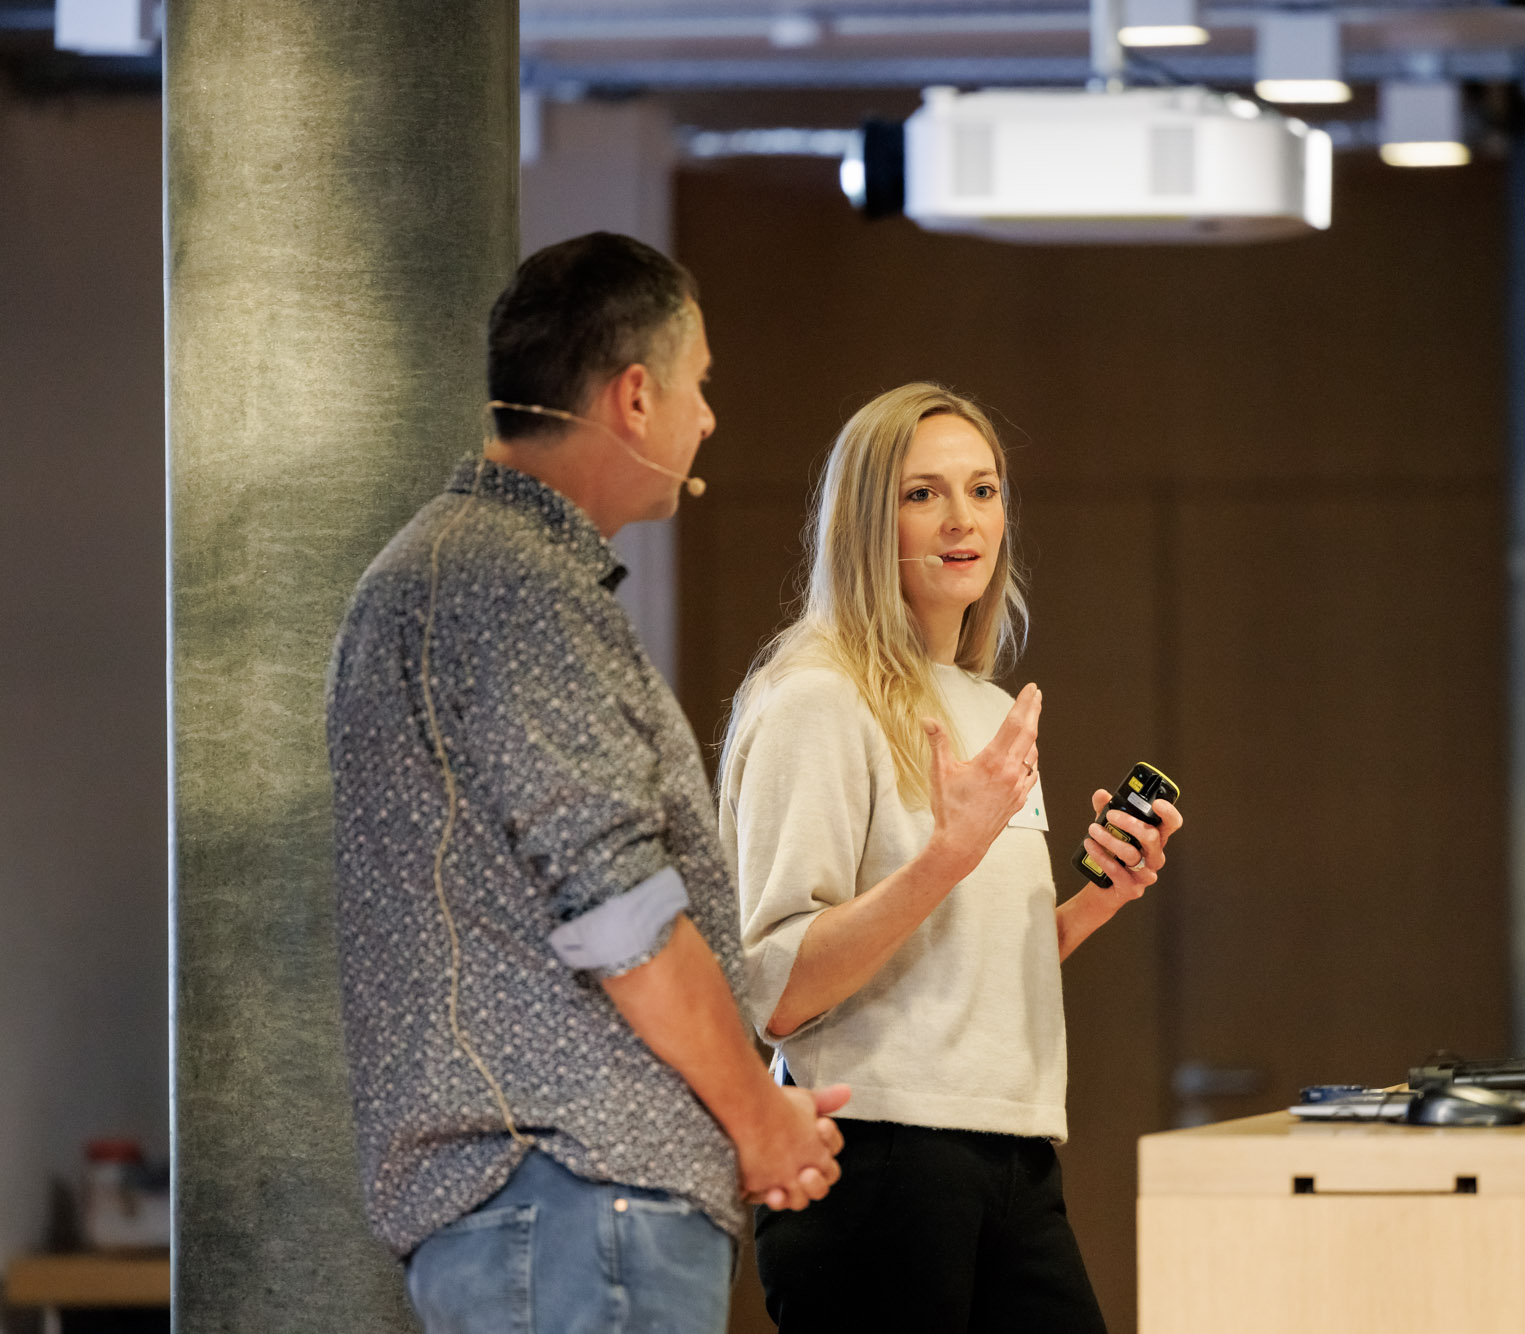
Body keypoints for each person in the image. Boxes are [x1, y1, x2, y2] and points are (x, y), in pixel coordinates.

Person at [326, 232, 847, 1334]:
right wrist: (758, 1115)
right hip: (572, 1189)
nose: (708, 418)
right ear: (634, 396)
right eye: (699, 387)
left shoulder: (441, 570)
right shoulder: (512, 585)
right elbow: (618, 914)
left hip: (534, 1197)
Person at [719, 382, 1186, 1333]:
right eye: (922, 494)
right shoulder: (815, 696)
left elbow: (955, 964)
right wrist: (947, 855)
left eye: (983, 489)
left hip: (1012, 1151)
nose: (962, 519)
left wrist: (1099, 899)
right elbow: (775, 987)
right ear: (865, 521)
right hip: (878, 1157)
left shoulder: (983, 707)